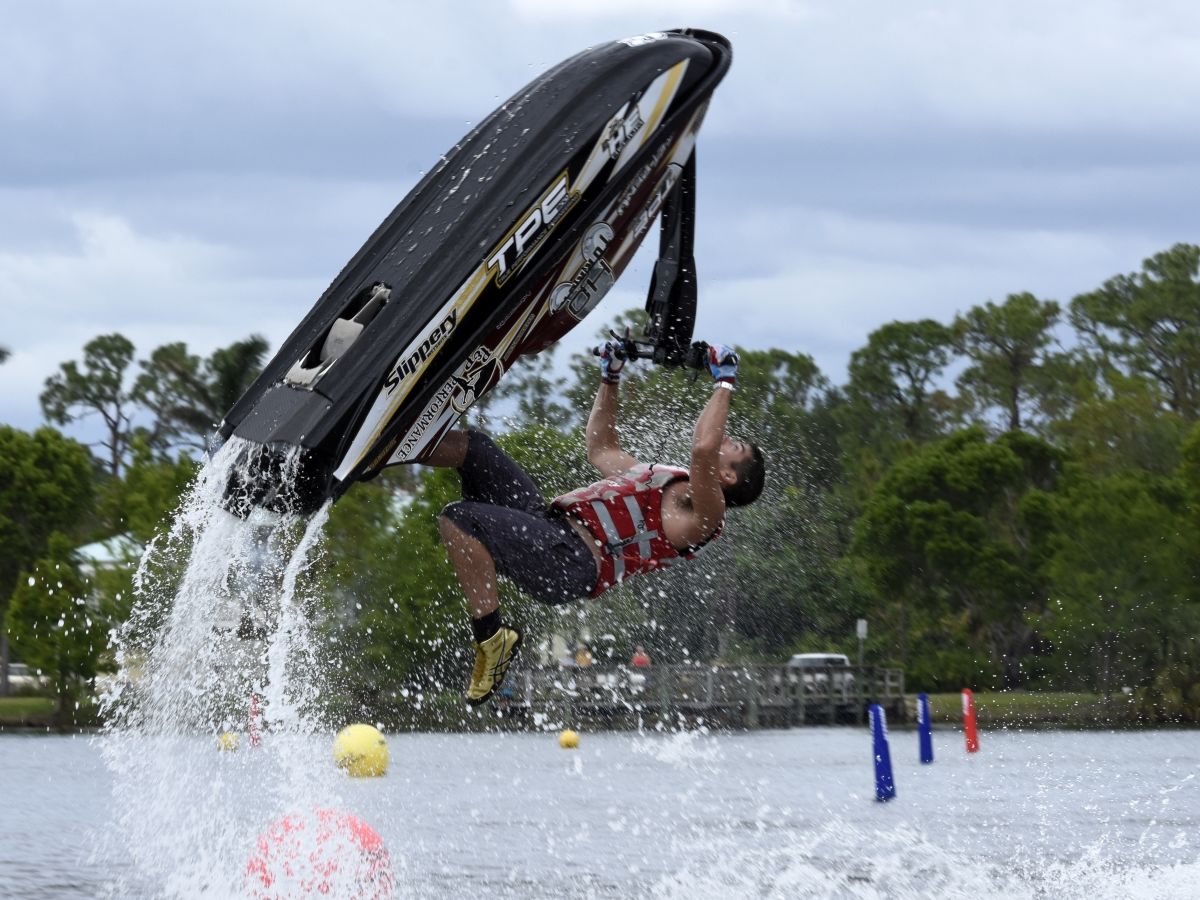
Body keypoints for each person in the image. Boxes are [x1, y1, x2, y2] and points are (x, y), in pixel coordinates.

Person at [415, 339, 766, 705]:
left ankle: (491, 638)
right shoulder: (665, 478)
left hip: (571, 563)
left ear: (726, 477)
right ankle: (393, 446)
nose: (725, 438)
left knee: (459, 518)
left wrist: (725, 381)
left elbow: (704, 448)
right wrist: (610, 378)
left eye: (734, 446)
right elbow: (602, 448)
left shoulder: (706, 517)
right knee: (475, 448)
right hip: (550, 526)